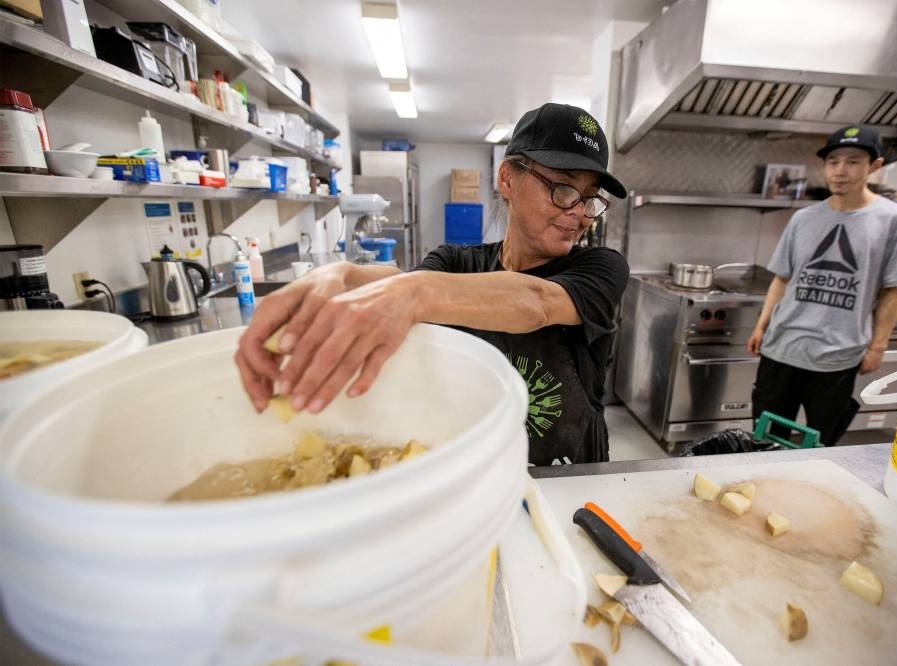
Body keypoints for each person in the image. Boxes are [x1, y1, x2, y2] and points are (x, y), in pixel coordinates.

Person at [235, 103, 629, 466]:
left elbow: (537, 301)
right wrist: (335, 275)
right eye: (563, 188)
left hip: (572, 485)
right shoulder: (458, 262)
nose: (578, 212)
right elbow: (402, 281)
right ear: (507, 179)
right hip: (478, 472)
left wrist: (415, 294)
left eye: (590, 198)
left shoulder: (600, 268)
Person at [747, 125, 897, 445]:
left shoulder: (894, 219)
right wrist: (761, 325)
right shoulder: (804, 219)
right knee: (765, 440)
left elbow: (892, 289)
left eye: (853, 161)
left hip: (838, 355)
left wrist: (878, 346)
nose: (840, 171)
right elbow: (782, 278)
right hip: (782, 348)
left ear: (875, 166)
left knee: (821, 443)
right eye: (833, 161)